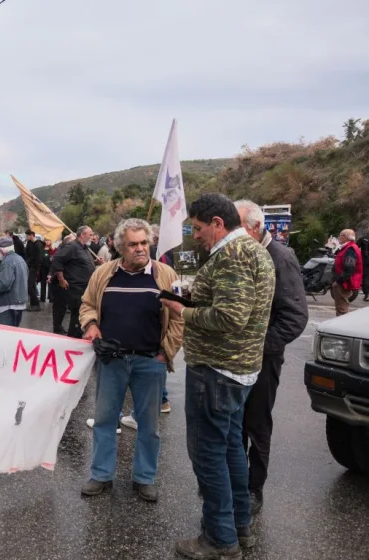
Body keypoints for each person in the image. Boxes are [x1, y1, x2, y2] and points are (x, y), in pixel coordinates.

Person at [161, 194, 275, 559]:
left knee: (209, 454)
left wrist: (183, 311)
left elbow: (230, 318)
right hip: (237, 371)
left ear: (217, 223)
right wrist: (199, 297)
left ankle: (219, 539)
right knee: (229, 451)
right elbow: (237, 306)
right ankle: (239, 528)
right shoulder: (254, 250)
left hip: (217, 371)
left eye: (197, 228)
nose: (195, 235)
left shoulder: (233, 254)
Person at [79, 219, 184, 503]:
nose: (140, 249)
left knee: (148, 425)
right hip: (112, 361)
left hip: (150, 361)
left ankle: (145, 478)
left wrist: (167, 352)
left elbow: (179, 317)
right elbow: (87, 304)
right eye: (133, 244)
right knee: (104, 420)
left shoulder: (165, 274)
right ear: (119, 247)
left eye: (144, 243)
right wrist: (91, 325)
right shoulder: (103, 274)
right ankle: (101, 475)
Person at [235, 200, 308, 515]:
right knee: (234, 423)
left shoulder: (280, 256)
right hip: (235, 358)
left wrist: (259, 346)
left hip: (263, 359)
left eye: (236, 227)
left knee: (257, 424)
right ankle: (237, 484)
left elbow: (295, 316)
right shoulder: (243, 253)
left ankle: (254, 490)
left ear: (254, 227)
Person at [49, 225, 96, 339]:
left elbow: (82, 263)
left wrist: (96, 262)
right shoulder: (72, 246)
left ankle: (75, 336)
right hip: (75, 287)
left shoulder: (84, 248)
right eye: (90, 234)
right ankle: (73, 338)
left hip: (85, 287)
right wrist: (61, 278)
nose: (92, 237)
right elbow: (57, 259)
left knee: (79, 314)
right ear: (82, 235)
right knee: (78, 313)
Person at [0, 237, 28, 326]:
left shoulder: (7, 261)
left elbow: (5, 284)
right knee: (14, 332)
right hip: (19, 302)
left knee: (5, 334)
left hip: (9, 303)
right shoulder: (20, 259)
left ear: (2, 251)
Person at [331, 229, 363, 316]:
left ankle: (340, 327)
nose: (338, 237)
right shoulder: (346, 248)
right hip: (343, 282)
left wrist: (338, 282)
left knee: (342, 308)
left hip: (344, 283)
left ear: (345, 238)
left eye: (340, 235)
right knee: (340, 306)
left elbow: (349, 268)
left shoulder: (350, 249)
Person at [24, 230, 43, 311]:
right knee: (31, 286)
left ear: (32, 235)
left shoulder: (38, 244)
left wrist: (37, 269)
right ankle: (33, 304)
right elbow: (27, 254)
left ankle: (36, 304)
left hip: (34, 268)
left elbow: (39, 258)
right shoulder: (29, 243)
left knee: (29, 285)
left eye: (27, 235)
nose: (26, 237)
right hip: (29, 266)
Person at [38, 238, 52, 303]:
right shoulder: (42, 250)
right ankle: (42, 298)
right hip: (43, 268)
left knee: (50, 283)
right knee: (43, 283)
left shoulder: (52, 250)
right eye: (46, 240)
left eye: (48, 240)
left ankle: (51, 297)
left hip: (51, 269)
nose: (47, 242)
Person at [358, 228, 369, 301]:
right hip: (365, 260)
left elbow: (355, 247)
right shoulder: (363, 239)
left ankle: (367, 294)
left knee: (365, 277)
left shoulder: (363, 239)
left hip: (365, 260)